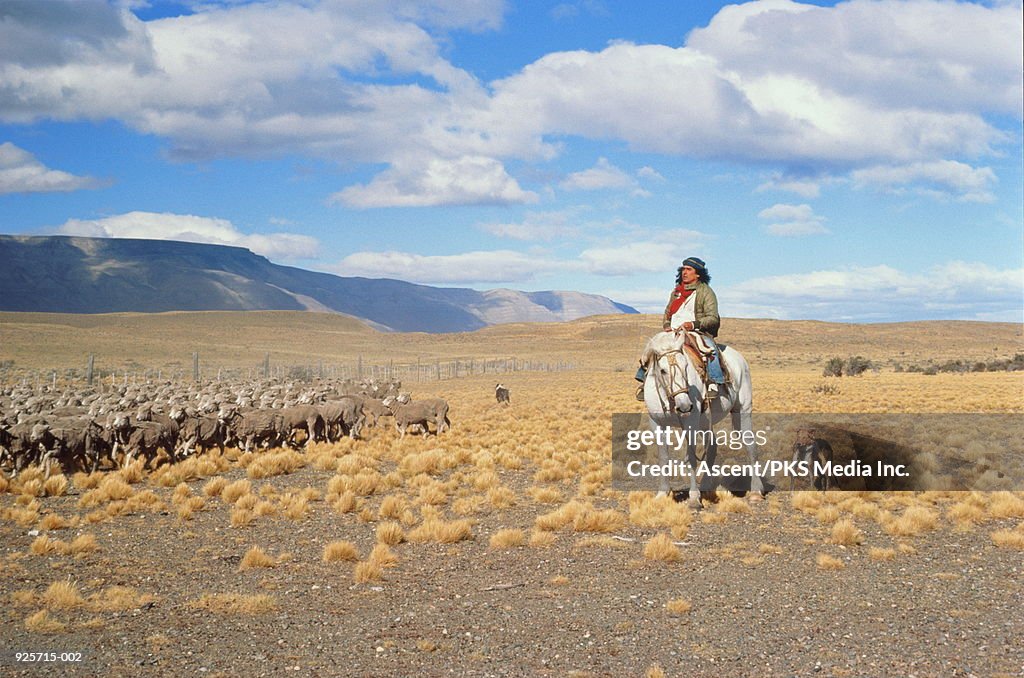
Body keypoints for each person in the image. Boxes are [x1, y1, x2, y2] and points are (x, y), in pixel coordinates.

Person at [635, 257, 725, 400]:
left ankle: (714, 382)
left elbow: (712, 317)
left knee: (709, 348)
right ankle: (645, 380)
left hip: (696, 331)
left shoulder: (706, 292)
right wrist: (666, 325)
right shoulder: (676, 292)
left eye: (689, 269)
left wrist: (693, 324)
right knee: (653, 347)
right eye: (683, 269)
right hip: (674, 331)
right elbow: (667, 313)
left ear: (698, 274)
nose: (684, 272)